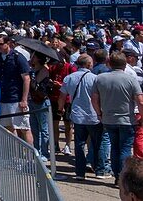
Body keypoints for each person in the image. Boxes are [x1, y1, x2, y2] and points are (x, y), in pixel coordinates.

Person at [92, 52, 143, 185]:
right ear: (125, 64)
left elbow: (94, 99)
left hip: (108, 119)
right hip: (127, 119)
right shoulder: (131, 79)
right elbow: (140, 100)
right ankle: (122, 177)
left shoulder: (100, 78)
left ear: (109, 63)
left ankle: (117, 176)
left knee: (114, 148)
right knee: (125, 149)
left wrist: (99, 113)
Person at [60, 54, 102, 181]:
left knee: (79, 145)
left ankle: (79, 172)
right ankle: (98, 169)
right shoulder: (95, 78)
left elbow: (62, 96)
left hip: (77, 115)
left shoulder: (69, 78)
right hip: (93, 115)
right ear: (89, 64)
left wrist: (60, 109)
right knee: (96, 144)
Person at [0, 34, 33, 143]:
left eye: (1, 44)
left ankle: (31, 155)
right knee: (9, 127)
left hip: (17, 98)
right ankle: (15, 153)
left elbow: (26, 78)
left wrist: (24, 99)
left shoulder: (17, 57)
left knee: (24, 128)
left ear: (8, 43)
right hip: (4, 98)